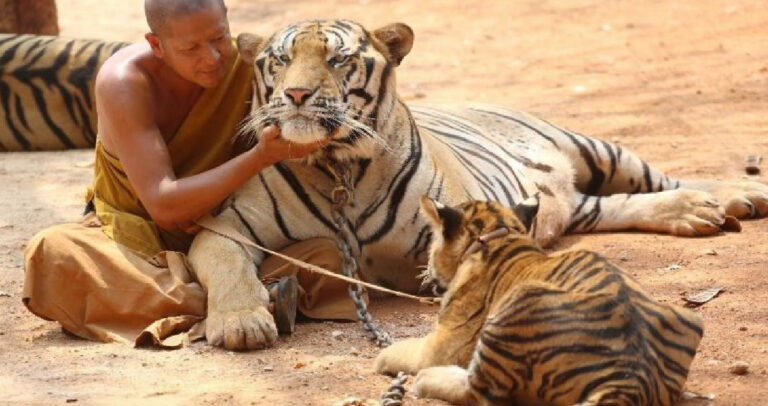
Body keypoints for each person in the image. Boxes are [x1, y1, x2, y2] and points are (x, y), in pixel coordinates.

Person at [22, 0, 355, 350]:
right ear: (157, 45)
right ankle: (250, 297)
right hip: (136, 241)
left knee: (327, 255)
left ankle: (219, 294)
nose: (211, 58)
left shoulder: (250, 65)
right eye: (190, 48)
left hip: (228, 231)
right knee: (52, 255)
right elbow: (165, 206)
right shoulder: (124, 82)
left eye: (219, 39)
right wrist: (261, 156)